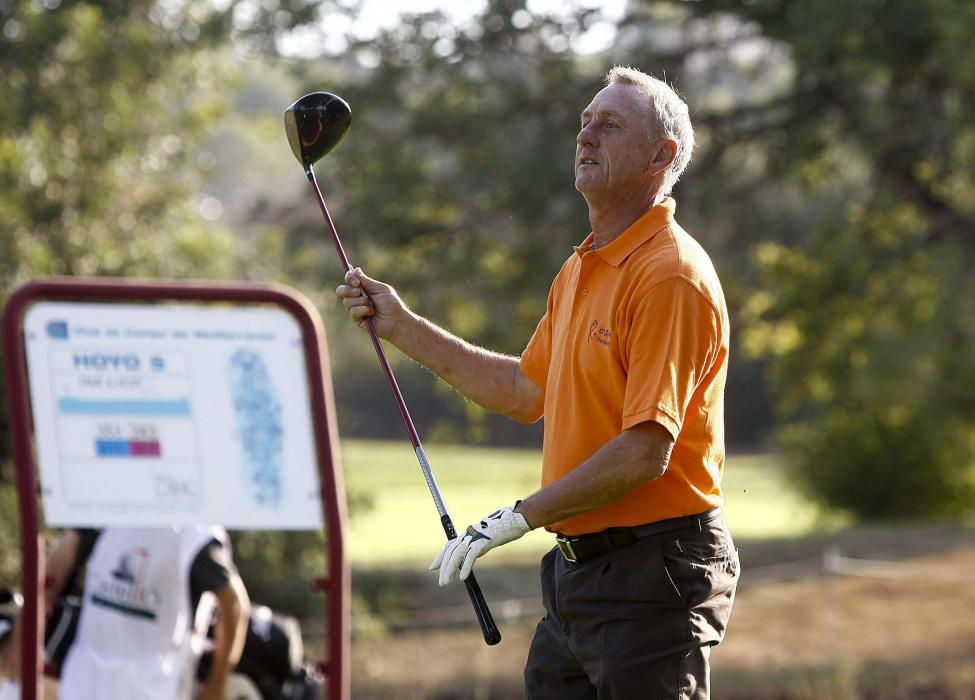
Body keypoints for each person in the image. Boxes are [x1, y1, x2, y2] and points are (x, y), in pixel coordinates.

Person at [336, 65, 738, 698]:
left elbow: (645, 451)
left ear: (663, 156)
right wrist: (402, 326)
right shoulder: (581, 267)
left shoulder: (670, 275)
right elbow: (525, 392)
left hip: (654, 570)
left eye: (609, 125)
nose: (585, 136)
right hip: (581, 574)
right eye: (585, 122)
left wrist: (518, 518)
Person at [45, 525, 250, 700]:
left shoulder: (194, 532)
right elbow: (56, 569)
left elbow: (234, 604)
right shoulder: (106, 504)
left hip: (146, 687)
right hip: (91, 682)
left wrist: (217, 683)